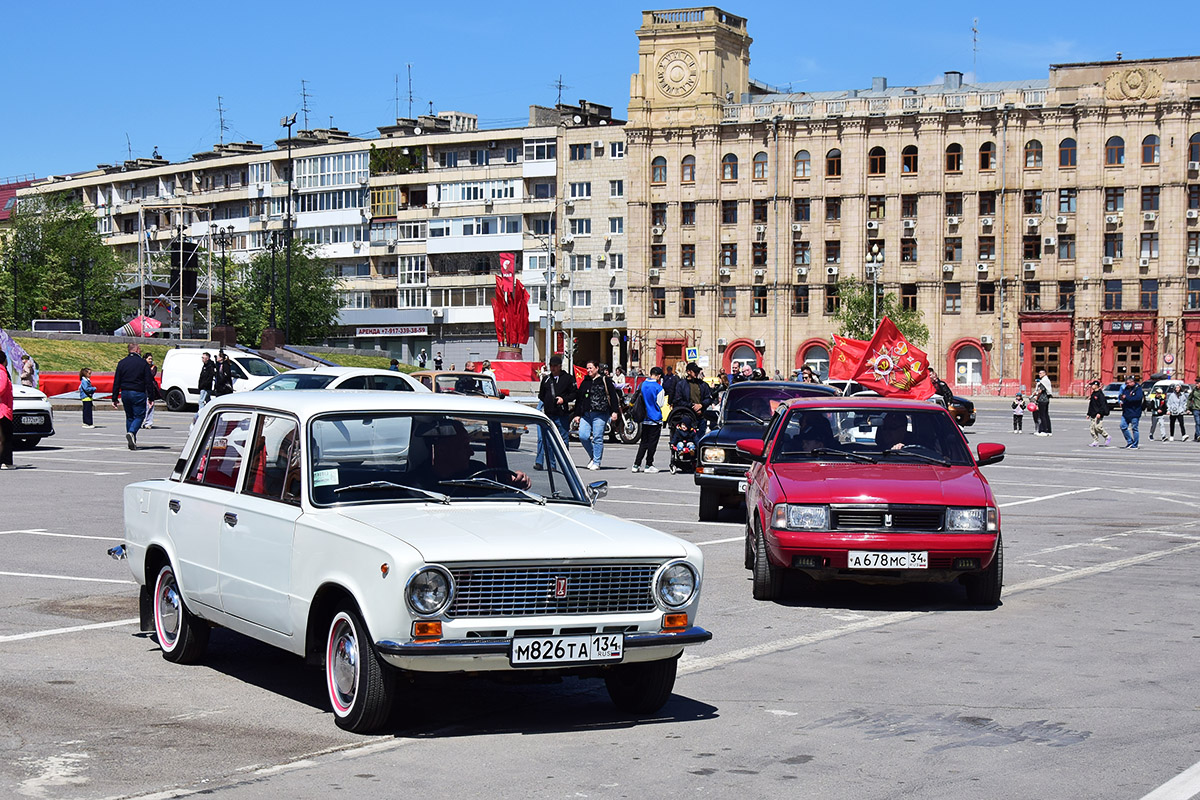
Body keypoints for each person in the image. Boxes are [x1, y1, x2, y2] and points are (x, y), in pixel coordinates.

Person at [427, 420, 531, 490]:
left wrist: (515, 482)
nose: (471, 452)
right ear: (442, 449)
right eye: (463, 446)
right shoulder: (419, 484)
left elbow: (498, 497)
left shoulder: (480, 472)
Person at [573, 360, 622, 470]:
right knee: (583, 436)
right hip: (586, 414)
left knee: (597, 438)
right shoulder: (585, 381)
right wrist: (577, 414)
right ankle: (593, 456)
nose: (589, 370)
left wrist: (614, 411)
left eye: (591, 368)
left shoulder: (605, 380)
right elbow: (579, 399)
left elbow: (613, 396)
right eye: (587, 368)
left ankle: (597, 461)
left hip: (600, 413)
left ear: (597, 368)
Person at [534, 354, 577, 471]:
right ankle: (552, 465)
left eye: (555, 366)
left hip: (562, 414)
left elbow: (574, 394)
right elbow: (541, 395)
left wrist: (564, 399)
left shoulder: (568, 378)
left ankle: (565, 464)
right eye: (551, 366)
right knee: (548, 441)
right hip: (549, 414)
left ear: (560, 366)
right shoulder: (547, 379)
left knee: (563, 440)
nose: (552, 368)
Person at [111, 342, 157, 450]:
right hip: (138, 392)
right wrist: (151, 397)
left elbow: (116, 380)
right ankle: (131, 432)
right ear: (136, 350)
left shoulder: (122, 363)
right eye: (140, 349)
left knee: (130, 416)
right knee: (140, 416)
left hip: (125, 392)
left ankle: (132, 440)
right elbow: (148, 381)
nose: (141, 351)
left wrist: (114, 397)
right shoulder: (143, 363)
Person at [632, 366, 666, 473]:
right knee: (652, 443)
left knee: (643, 443)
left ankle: (636, 464)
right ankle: (648, 464)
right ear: (659, 376)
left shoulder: (642, 385)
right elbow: (660, 404)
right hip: (655, 418)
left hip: (644, 417)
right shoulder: (658, 388)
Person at [672, 362, 714, 438]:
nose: (696, 373)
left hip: (701, 417)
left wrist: (701, 405)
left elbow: (709, 398)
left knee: (699, 440)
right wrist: (692, 406)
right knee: (688, 441)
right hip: (687, 416)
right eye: (695, 371)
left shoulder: (703, 384)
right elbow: (678, 400)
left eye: (697, 371)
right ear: (688, 372)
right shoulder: (681, 384)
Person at [1117, 376, 1144, 449]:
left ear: (1132, 382)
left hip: (1135, 412)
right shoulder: (1126, 388)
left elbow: (1137, 399)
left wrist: (1127, 398)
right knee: (1123, 426)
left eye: (1128, 383)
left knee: (1134, 428)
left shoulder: (1138, 389)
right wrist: (1121, 398)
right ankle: (1129, 441)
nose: (1127, 384)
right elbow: (1121, 395)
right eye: (1126, 383)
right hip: (1126, 412)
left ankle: (1135, 444)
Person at [1086, 380, 1111, 447]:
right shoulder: (1093, 394)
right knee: (1092, 429)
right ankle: (1095, 441)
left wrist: (1100, 413)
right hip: (1093, 414)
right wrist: (1088, 414)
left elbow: (1103, 405)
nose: (1091, 386)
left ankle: (1107, 436)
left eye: (1093, 385)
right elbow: (1091, 405)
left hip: (1098, 414)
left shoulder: (1100, 394)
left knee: (1098, 427)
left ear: (1096, 385)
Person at [0, 352, 14, 469]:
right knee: (6, 437)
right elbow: (2, 388)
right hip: (3, 410)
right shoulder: (2, 372)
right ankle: (6, 462)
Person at [1033, 369, 1054, 435]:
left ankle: (1043, 430)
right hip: (1046, 399)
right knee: (1046, 415)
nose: (1039, 374)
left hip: (1042, 400)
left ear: (1044, 373)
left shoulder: (1043, 381)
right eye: (1039, 373)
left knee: (1042, 415)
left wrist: (1036, 397)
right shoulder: (1047, 380)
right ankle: (1048, 430)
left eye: (1040, 373)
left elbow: (1040, 391)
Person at [143, 353, 160, 429]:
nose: (150, 360)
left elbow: (151, 375)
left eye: (151, 359)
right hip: (143, 388)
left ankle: (148, 422)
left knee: (150, 405)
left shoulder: (153, 367)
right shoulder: (142, 367)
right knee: (143, 406)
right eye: (149, 359)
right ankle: (141, 421)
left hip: (151, 388)